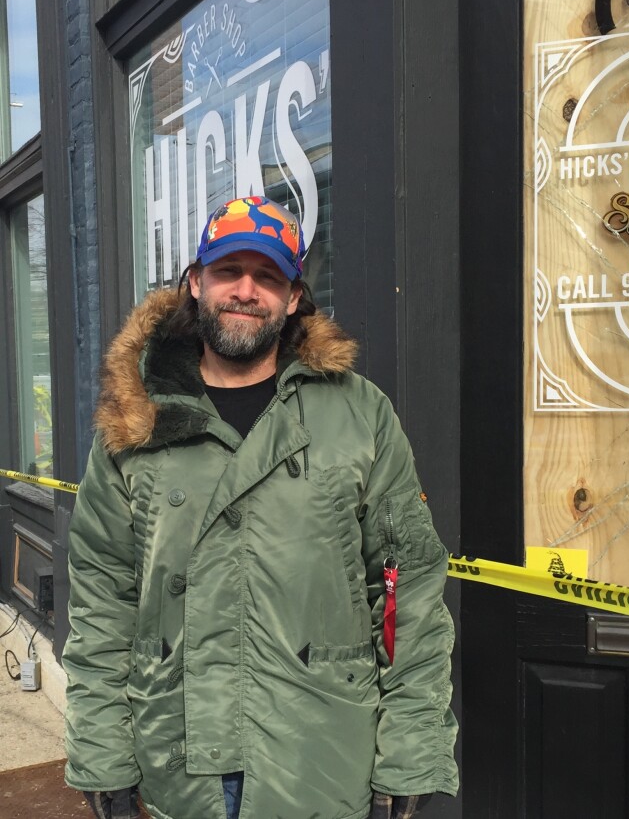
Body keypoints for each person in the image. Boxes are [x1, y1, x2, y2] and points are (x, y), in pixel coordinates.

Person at [63, 196, 459, 819]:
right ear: (195, 283)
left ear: (294, 296)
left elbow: (408, 592)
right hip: (178, 754)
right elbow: (100, 600)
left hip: (321, 757)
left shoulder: (358, 414)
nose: (246, 291)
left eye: (268, 277)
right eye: (228, 272)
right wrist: (102, 749)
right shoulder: (136, 418)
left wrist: (411, 748)